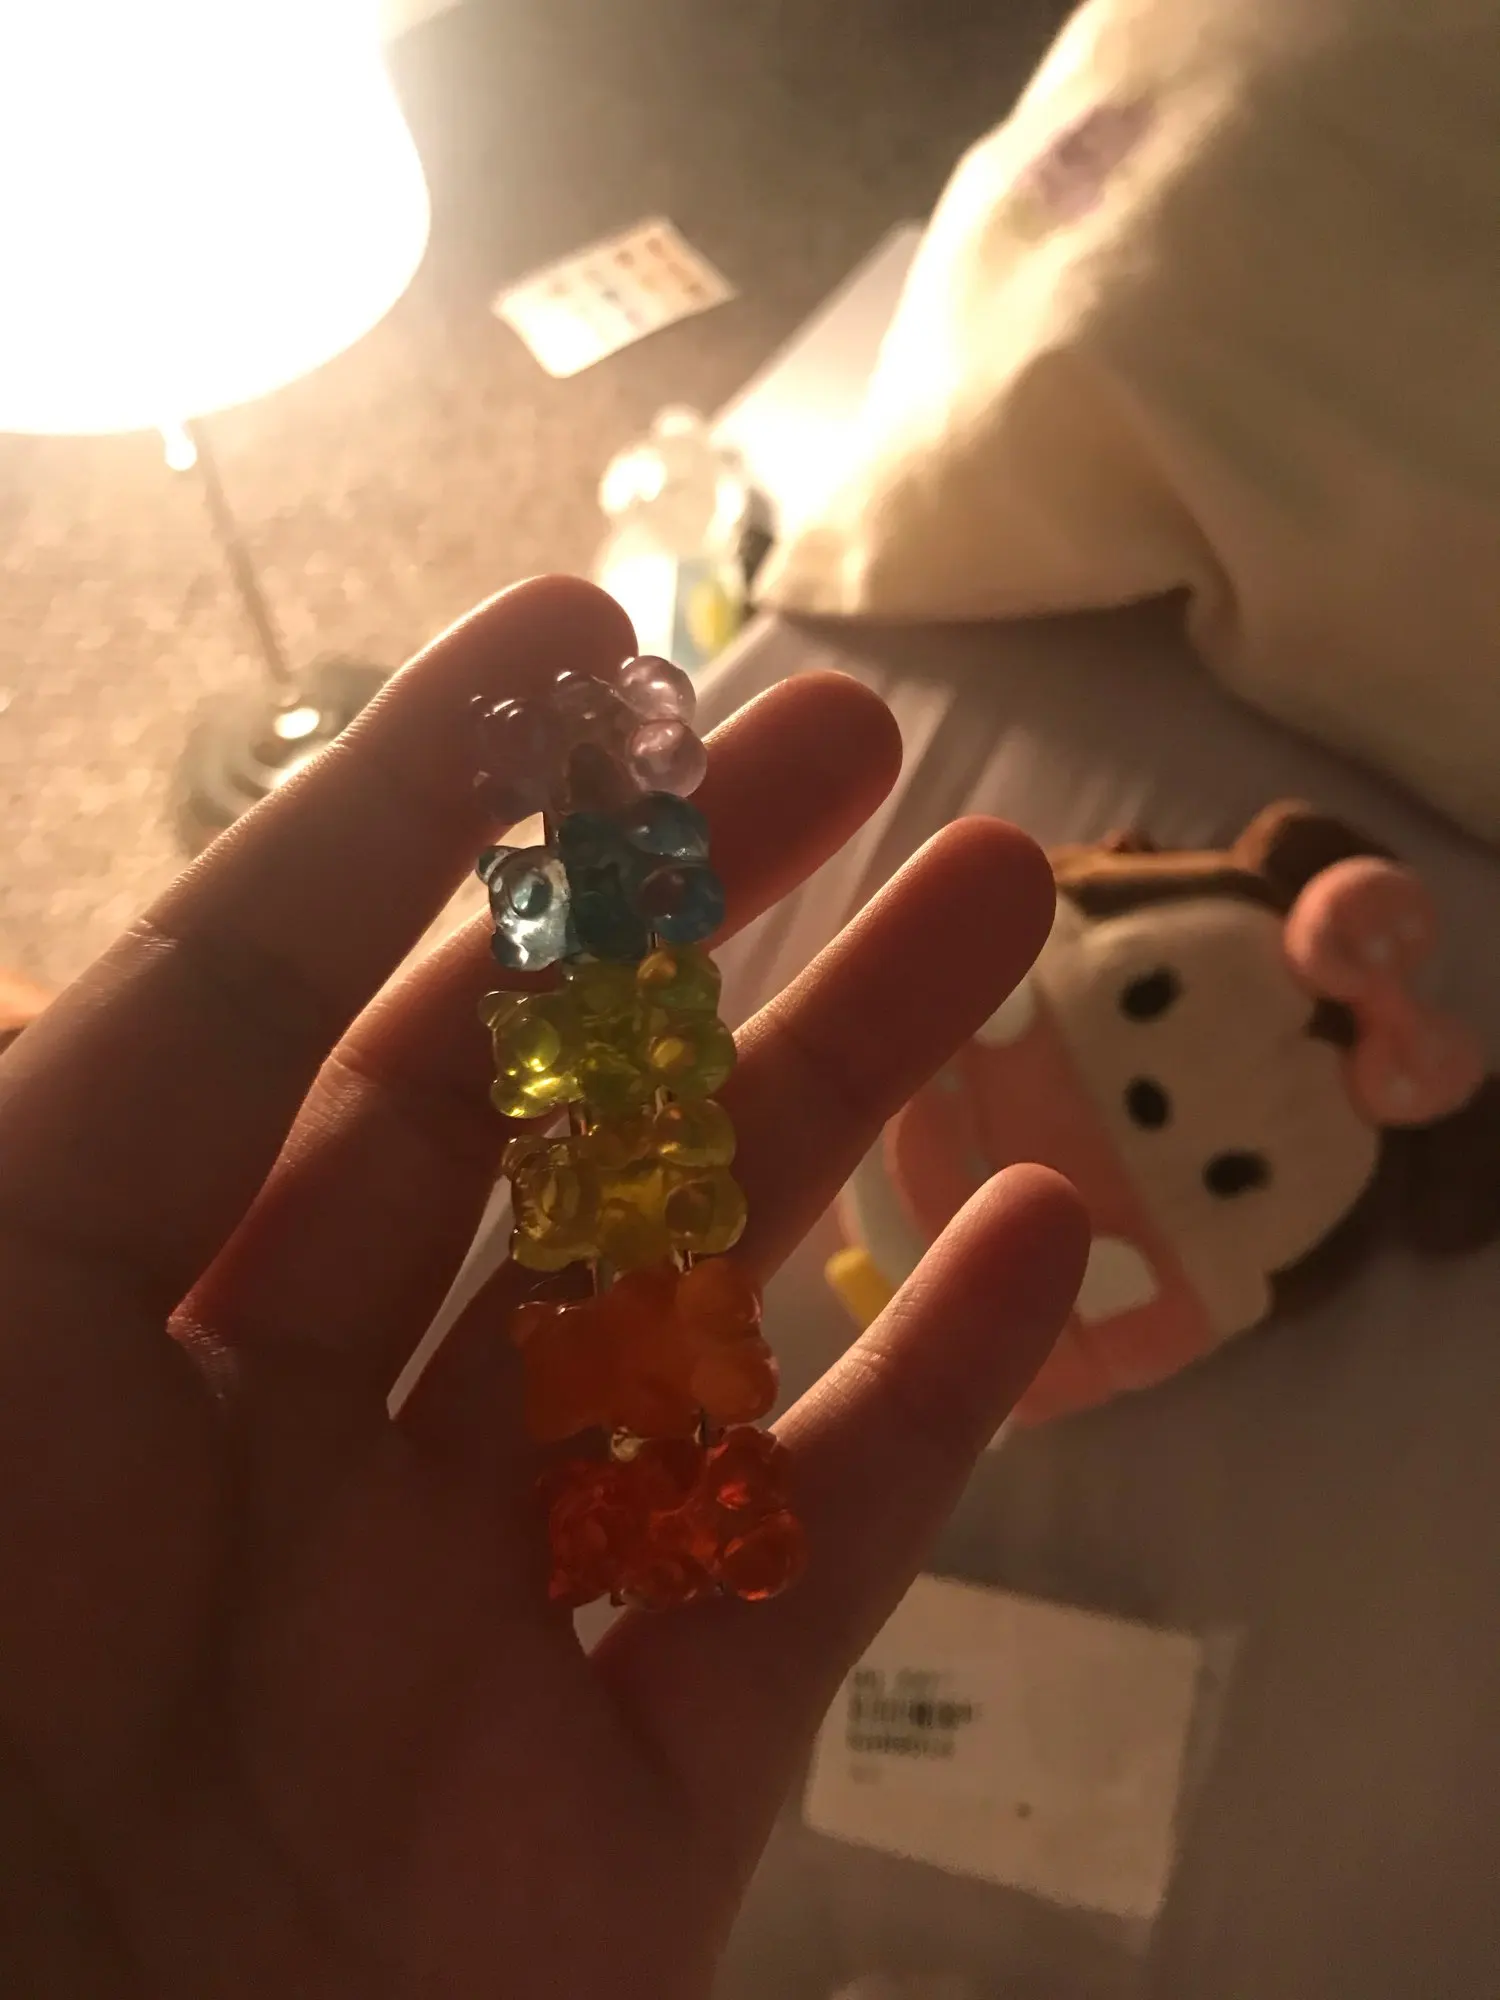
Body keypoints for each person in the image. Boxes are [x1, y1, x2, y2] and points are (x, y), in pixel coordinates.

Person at [0, 577, 1086, 1999]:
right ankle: (656, 1483)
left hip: (648, 1261)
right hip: (626, 1257)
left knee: (662, 1262)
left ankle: (665, 1483)